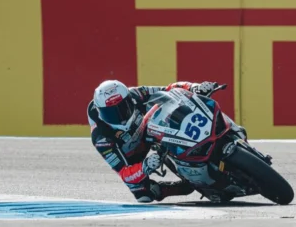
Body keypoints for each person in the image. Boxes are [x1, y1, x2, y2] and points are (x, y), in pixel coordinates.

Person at [87, 79, 244, 203]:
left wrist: (194, 87)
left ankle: (226, 132)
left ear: (130, 100)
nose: (119, 117)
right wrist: (145, 166)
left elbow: (170, 89)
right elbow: (124, 173)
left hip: (149, 130)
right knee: (143, 194)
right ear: (100, 112)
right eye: (110, 114)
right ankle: (182, 186)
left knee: (180, 109)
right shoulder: (101, 138)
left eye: (123, 109)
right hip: (132, 156)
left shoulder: (135, 94)